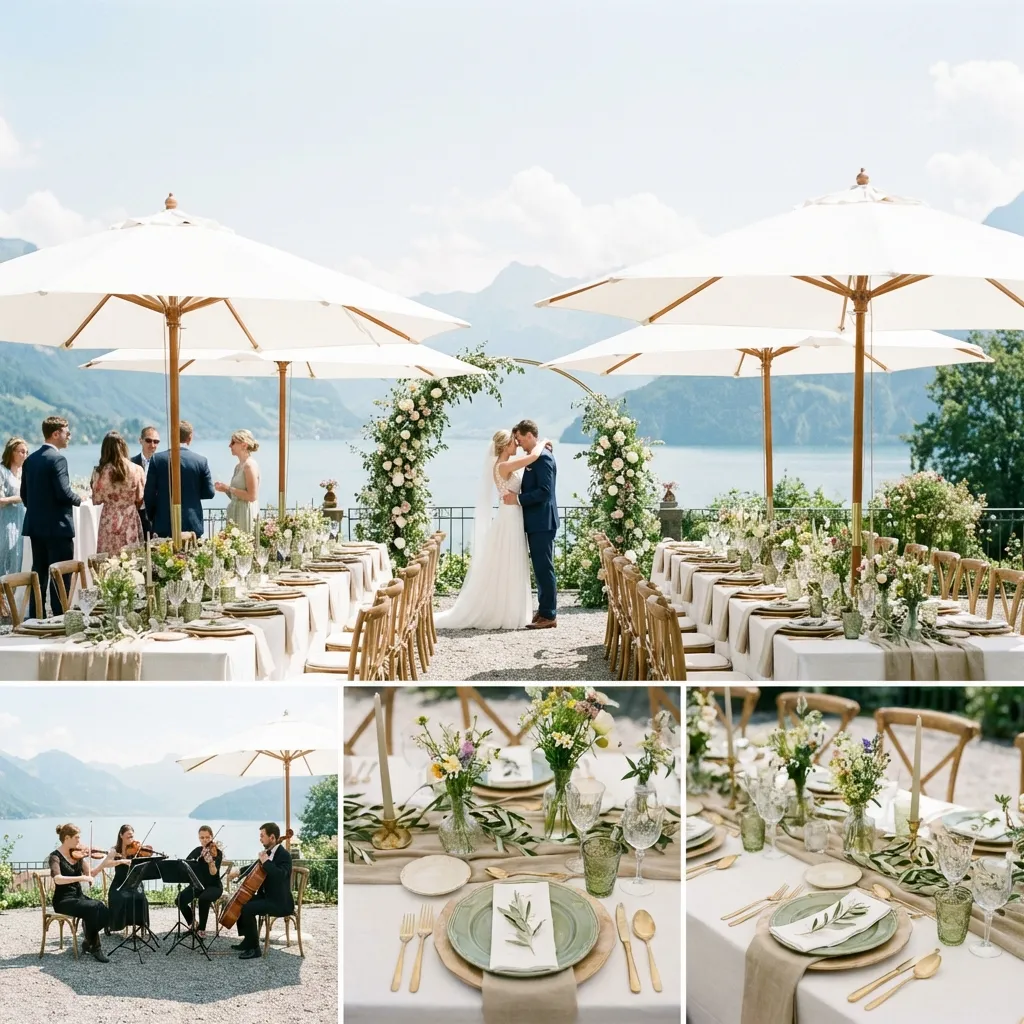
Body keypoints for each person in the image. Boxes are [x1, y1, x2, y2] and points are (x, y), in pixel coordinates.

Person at [435, 428, 550, 630]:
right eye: (514, 441)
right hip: (509, 516)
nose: (517, 444)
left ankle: (509, 608)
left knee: (509, 560)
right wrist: (544, 443)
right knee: (509, 559)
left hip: (512, 514)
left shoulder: (504, 466)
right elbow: (532, 457)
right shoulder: (504, 465)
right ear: (506, 445)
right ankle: (505, 611)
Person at [21, 416, 81, 618]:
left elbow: (24, 494)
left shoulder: (30, 459)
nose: (69, 436)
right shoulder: (57, 459)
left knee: (39, 573)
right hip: (58, 527)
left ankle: (36, 617)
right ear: (56, 434)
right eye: (67, 432)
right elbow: (63, 492)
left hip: (36, 526)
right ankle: (59, 617)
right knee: (60, 576)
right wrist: (79, 499)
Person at [503, 419, 559, 629]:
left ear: (529, 435)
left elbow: (545, 491)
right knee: (540, 567)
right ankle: (544, 609)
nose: (519, 444)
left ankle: (549, 614)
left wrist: (517, 500)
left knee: (544, 567)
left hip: (542, 522)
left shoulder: (543, 458)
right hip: (536, 522)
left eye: (519, 439)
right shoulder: (534, 456)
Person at [48, 822, 115, 962]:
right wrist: (81, 877)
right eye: (77, 838)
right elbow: (58, 879)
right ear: (67, 838)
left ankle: (87, 940)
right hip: (63, 900)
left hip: (78, 896)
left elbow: (92, 873)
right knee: (92, 908)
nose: (80, 841)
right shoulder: (55, 857)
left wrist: (105, 862)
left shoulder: (77, 856)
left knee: (103, 909)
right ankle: (96, 947)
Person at [232, 822, 294, 960]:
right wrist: (238, 871)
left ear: (272, 837)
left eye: (262, 836)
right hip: (267, 897)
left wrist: (266, 862)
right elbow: (256, 866)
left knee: (248, 908)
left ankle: (254, 949)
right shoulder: (269, 853)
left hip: (279, 902)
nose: (260, 839)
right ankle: (248, 940)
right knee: (242, 901)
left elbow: (280, 875)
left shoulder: (284, 855)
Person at [144, 420, 215, 538]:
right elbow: (209, 493)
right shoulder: (201, 461)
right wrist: (192, 492)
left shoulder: (157, 459)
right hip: (192, 523)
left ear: (172, 436)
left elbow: (149, 494)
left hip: (164, 522)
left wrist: (153, 517)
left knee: (165, 556)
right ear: (190, 438)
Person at [91, 432, 145, 556]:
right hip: (130, 516)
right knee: (131, 558)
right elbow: (140, 497)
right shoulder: (137, 469)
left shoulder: (100, 472)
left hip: (109, 518)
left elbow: (96, 499)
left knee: (108, 557)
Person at [178, 825, 224, 938]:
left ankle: (202, 930)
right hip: (198, 884)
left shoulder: (217, 853)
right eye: (202, 838)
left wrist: (210, 862)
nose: (205, 840)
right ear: (199, 838)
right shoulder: (197, 851)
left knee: (204, 898)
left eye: (207, 837)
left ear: (212, 837)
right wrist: (196, 859)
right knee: (179, 900)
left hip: (214, 886)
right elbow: (186, 864)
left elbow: (213, 873)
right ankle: (193, 923)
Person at [107, 823, 152, 933]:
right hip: (119, 883)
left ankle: (141, 925)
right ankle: (115, 924)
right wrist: (121, 860)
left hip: (134, 882)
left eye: (132, 836)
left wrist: (141, 851)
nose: (131, 839)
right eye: (128, 836)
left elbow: (148, 856)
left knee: (141, 899)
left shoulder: (136, 849)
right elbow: (107, 863)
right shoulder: (114, 850)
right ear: (121, 836)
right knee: (119, 898)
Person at [0, 438, 28, 610]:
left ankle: (12, 603)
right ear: (12, 452)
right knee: (4, 557)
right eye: (21, 451)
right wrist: (22, 497)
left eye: (26, 452)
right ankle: (1, 602)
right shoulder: (2, 471)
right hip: (6, 520)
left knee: (18, 558)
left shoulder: (25, 471)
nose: (24, 455)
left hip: (23, 519)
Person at [215, 430, 260, 532]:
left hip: (245, 514)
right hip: (235, 512)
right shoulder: (238, 466)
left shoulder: (249, 465)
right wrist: (225, 489)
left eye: (233, 443)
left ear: (244, 445)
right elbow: (236, 495)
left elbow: (252, 496)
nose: (230, 446)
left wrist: (228, 488)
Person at [131, 425, 160, 537]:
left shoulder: (163, 464)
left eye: (156, 442)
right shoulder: (131, 463)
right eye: (148, 440)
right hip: (136, 512)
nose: (152, 445)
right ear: (140, 440)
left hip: (157, 514)